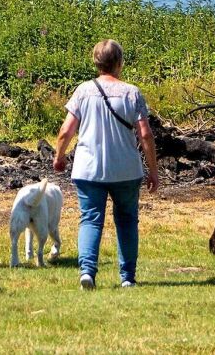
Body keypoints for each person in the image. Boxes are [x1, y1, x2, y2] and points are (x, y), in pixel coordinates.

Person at [53, 39, 159, 290]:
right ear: (120, 63)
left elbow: (66, 131)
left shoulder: (83, 91)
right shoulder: (132, 92)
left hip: (89, 168)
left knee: (90, 219)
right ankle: (127, 277)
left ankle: (87, 271)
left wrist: (59, 156)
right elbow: (145, 134)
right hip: (125, 169)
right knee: (127, 220)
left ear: (96, 63)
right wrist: (153, 170)